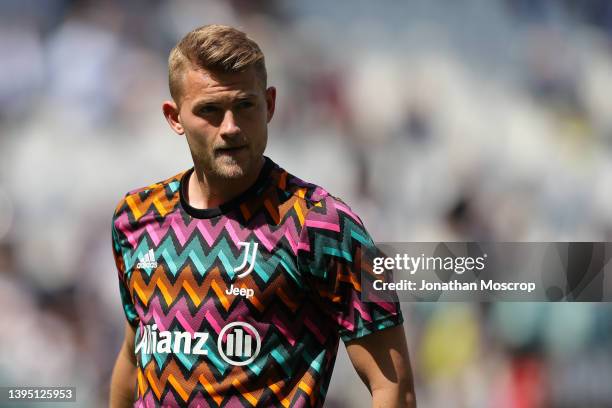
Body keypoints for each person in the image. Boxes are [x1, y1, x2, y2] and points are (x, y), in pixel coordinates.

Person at [109, 24, 416, 408]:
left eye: (245, 105)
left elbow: (393, 388)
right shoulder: (136, 217)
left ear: (269, 104)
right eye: (210, 110)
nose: (231, 128)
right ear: (174, 117)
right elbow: (133, 354)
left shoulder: (324, 226)